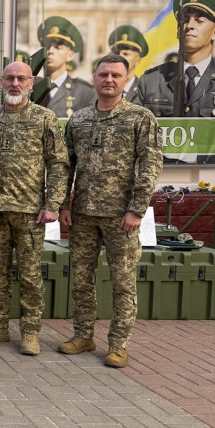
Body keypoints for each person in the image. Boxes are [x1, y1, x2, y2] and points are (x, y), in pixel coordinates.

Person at [59, 53, 163, 368]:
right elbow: (66, 166)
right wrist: (63, 204)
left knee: (122, 282)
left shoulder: (140, 118)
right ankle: (83, 335)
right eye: (103, 74)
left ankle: (118, 345)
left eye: (116, 75)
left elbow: (150, 165)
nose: (109, 80)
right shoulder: (79, 119)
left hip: (122, 217)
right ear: (95, 77)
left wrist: (137, 210)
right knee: (81, 279)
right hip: (84, 215)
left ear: (126, 79)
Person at [0, 62, 69, 356]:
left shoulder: (44, 118)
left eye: (21, 79)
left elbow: (58, 163)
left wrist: (53, 204)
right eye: (9, 78)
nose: (15, 84)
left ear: (31, 82)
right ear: (1, 82)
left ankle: (30, 331)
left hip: (30, 211)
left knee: (30, 275)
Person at [136, 0, 215, 118]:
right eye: (185, 20)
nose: (189, 25)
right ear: (177, 31)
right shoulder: (152, 81)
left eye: (199, 20)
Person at [38, 15, 96, 118]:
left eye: (57, 47)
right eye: (47, 47)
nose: (50, 51)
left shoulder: (84, 92)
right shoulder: (32, 89)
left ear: (70, 55)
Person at [107, 25, 149, 103]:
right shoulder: (100, 89)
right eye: (116, 53)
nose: (119, 57)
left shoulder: (146, 92)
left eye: (125, 54)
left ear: (138, 60)